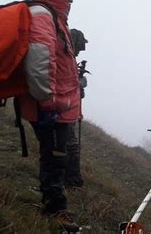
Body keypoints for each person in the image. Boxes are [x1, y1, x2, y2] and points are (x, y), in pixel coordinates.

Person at [18, 0, 82, 231]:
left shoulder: (53, 18)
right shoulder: (43, 16)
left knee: (55, 156)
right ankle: (55, 209)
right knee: (55, 158)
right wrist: (48, 103)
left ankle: (54, 202)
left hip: (58, 106)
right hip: (51, 107)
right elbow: (39, 62)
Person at [64, 28, 89, 189]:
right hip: (63, 110)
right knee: (70, 145)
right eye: (79, 47)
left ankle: (71, 179)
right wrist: (78, 85)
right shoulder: (65, 58)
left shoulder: (68, 58)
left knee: (69, 145)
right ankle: (71, 180)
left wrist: (79, 86)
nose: (80, 51)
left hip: (69, 109)